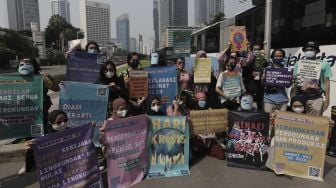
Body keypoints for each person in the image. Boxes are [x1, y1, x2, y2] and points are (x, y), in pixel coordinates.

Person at [18, 110, 69, 175]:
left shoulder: (71, 131)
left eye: (65, 120)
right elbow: (34, 145)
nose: (63, 123)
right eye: (59, 122)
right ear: (51, 123)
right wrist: (31, 145)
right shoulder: (47, 137)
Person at [18, 58, 59, 133]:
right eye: (21, 64)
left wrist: (50, 78)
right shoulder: (14, 79)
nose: (24, 66)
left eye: (28, 64)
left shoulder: (42, 78)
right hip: (23, 113)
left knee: (41, 131)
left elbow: (56, 89)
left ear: (34, 66)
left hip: (40, 112)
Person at [293, 41, 333, 115]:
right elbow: (295, 80)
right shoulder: (298, 63)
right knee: (299, 121)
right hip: (300, 96)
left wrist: (327, 99)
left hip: (316, 98)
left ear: (316, 51)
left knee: (315, 122)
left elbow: (327, 82)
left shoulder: (324, 64)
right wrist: (293, 97)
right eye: (306, 50)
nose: (308, 51)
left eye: (311, 50)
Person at [242, 44, 267, 111]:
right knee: (248, 102)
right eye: (255, 49)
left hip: (260, 85)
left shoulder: (263, 60)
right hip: (250, 85)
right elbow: (244, 70)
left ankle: (259, 114)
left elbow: (265, 70)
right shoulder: (247, 60)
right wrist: (251, 73)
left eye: (258, 49)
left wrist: (261, 73)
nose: (257, 51)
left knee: (259, 102)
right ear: (252, 50)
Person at [263, 49, 289, 113]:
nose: (278, 57)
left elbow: (288, 86)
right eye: (276, 56)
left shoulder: (286, 69)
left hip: (283, 100)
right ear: (272, 57)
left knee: (281, 122)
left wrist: (290, 79)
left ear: (283, 57)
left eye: (280, 56)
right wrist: (263, 78)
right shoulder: (267, 69)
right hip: (269, 100)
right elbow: (263, 84)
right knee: (269, 120)